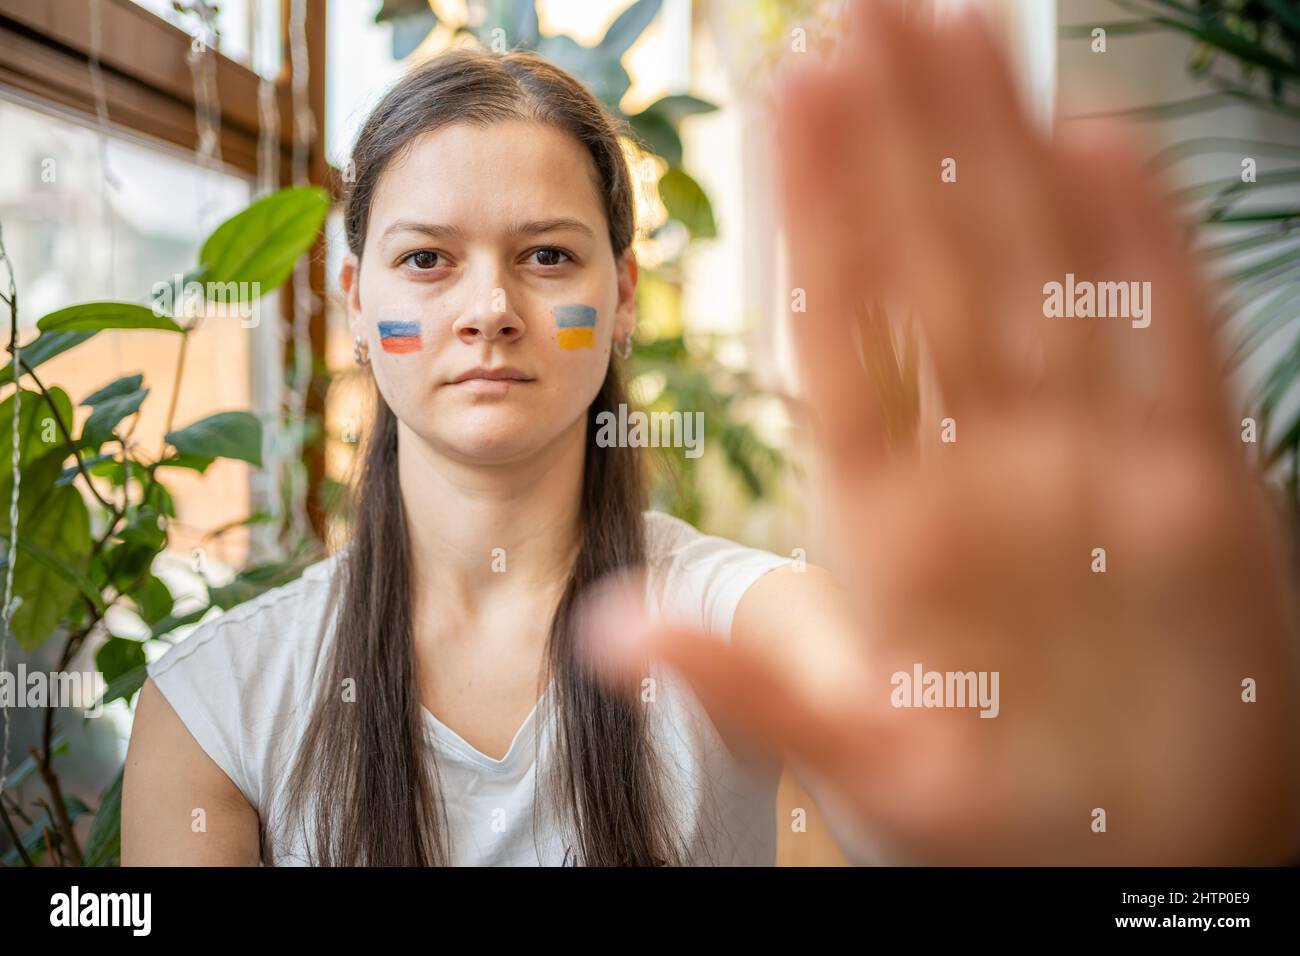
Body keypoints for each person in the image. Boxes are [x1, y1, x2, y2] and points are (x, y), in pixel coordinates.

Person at [124, 0, 1300, 866]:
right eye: (426, 260)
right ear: (355, 304)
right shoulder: (216, 705)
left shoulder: (760, 626)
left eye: (547, 257)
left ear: (622, 296)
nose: (488, 308)